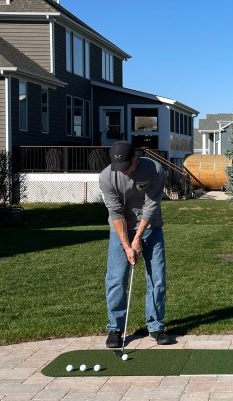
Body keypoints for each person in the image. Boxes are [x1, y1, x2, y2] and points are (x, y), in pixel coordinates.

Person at [99, 141, 173, 348]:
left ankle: (155, 326)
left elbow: (151, 206)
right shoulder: (106, 177)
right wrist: (127, 245)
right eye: (118, 167)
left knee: (157, 278)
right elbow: (115, 212)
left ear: (135, 158)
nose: (123, 171)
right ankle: (115, 328)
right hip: (120, 230)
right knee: (116, 279)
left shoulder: (154, 169)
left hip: (151, 227)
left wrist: (138, 236)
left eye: (126, 166)